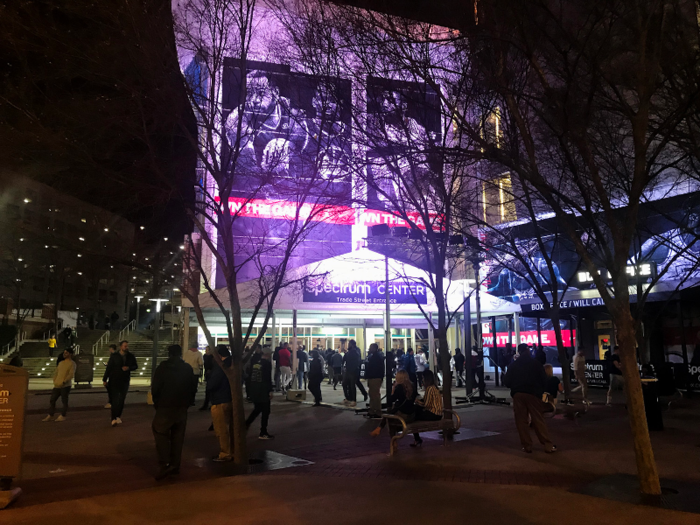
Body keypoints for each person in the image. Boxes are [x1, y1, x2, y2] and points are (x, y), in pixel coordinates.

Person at [151, 345, 195, 480]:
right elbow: (193, 388)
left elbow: (156, 388)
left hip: (165, 406)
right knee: (178, 436)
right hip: (181, 407)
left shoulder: (162, 368)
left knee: (160, 432)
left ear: (169, 353)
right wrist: (187, 403)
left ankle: (165, 463)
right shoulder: (187, 368)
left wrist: (157, 403)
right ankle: (175, 464)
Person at [503, 343, 556, 453]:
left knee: (521, 421)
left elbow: (507, 382)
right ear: (527, 350)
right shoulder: (536, 364)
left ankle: (527, 445)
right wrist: (540, 391)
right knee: (538, 419)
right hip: (533, 394)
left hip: (518, 394)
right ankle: (547, 444)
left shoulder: (514, 365)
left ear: (519, 351)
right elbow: (544, 379)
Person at [370, 370, 416, 437]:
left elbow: (391, 400)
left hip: (403, 414)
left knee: (389, 418)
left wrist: (393, 389)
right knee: (390, 413)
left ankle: (391, 438)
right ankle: (379, 428)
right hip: (412, 414)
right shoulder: (412, 386)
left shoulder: (399, 387)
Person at [208, 345, 234, 461]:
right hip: (230, 398)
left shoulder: (220, 367)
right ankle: (232, 450)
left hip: (220, 399)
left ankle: (225, 453)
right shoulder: (233, 364)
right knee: (230, 428)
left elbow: (213, 384)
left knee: (221, 429)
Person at [103, 340, 137, 426]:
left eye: (127, 346)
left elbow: (135, 366)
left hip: (125, 380)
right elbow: (109, 367)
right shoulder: (114, 356)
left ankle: (118, 415)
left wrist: (128, 368)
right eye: (125, 346)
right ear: (121, 346)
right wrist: (105, 379)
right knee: (115, 399)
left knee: (122, 399)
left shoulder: (130, 356)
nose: (126, 347)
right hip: (114, 379)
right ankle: (113, 417)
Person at [246, 347, 275, 439]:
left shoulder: (255, 363)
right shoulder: (267, 364)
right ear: (268, 354)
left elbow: (250, 375)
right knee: (266, 411)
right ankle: (263, 432)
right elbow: (267, 378)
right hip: (263, 390)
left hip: (255, 389)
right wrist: (270, 390)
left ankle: (246, 423)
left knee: (257, 408)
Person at [42, 348, 76, 422]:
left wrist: (64, 381)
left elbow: (71, 374)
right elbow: (56, 373)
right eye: (64, 353)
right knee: (52, 400)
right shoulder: (61, 363)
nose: (64, 354)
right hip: (57, 385)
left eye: (66, 353)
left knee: (64, 401)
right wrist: (55, 380)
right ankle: (51, 415)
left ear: (70, 354)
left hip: (65, 386)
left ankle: (63, 415)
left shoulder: (72, 363)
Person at [411, 369, 442, 447]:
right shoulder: (434, 387)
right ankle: (417, 438)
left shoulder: (429, 388)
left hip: (433, 413)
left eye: (423, 378)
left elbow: (426, 404)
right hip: (438, 413)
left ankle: (417, 438)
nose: (422, 380)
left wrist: (416, 401)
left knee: (413, 416)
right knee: (416, 411)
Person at [365, 343, 385, 418]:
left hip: (375, 377)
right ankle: (373, 409)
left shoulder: (376, 357)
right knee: (372, 394)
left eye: (371, 347)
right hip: (374, 377)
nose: (369, 349)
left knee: (375, 394)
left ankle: (377, 410)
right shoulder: (375, 356)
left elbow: (375, 368)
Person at [342, 341, 361, 407]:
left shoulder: (355, 352)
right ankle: (348, 398)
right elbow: (344, 359)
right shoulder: (349, 352)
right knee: (345, 384)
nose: (348, 345)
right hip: (348, 370)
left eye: (349, 344)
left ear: (352, 345)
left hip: (352, 371)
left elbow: (357, 362)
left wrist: (354, 369)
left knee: (352, 385)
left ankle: (353, 400)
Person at [200, 346, 214, 410]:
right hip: (208, 374)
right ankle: (207, 404)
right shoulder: (206, 356)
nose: (206, 350)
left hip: (211, 374)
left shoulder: (211, 357)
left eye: (207, 349)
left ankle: (209, 404)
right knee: (208, 390)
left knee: (210, 390)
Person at [104, 344, 117, 409]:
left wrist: (104, 378)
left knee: (110, 389)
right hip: (115, 375)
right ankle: (114, 402)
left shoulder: (113, 356)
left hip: (112, 375)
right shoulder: (117, 356)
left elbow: (109, 368)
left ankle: (111, 402)